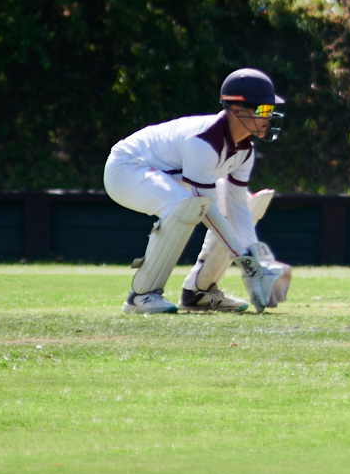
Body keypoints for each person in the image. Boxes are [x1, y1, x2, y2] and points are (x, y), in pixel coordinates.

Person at [101, 68, 295, 315]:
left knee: (239, 201)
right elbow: (206, 208)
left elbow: (236, 206)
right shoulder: (203, 142)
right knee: (188, 205)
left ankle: (198, 292)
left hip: (169, 174)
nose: (268, 117)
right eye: (262, 109)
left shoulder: (245, 151)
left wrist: (253, 254)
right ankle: (141, 295)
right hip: (126, 168)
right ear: (236, 110)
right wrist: (244, 259)